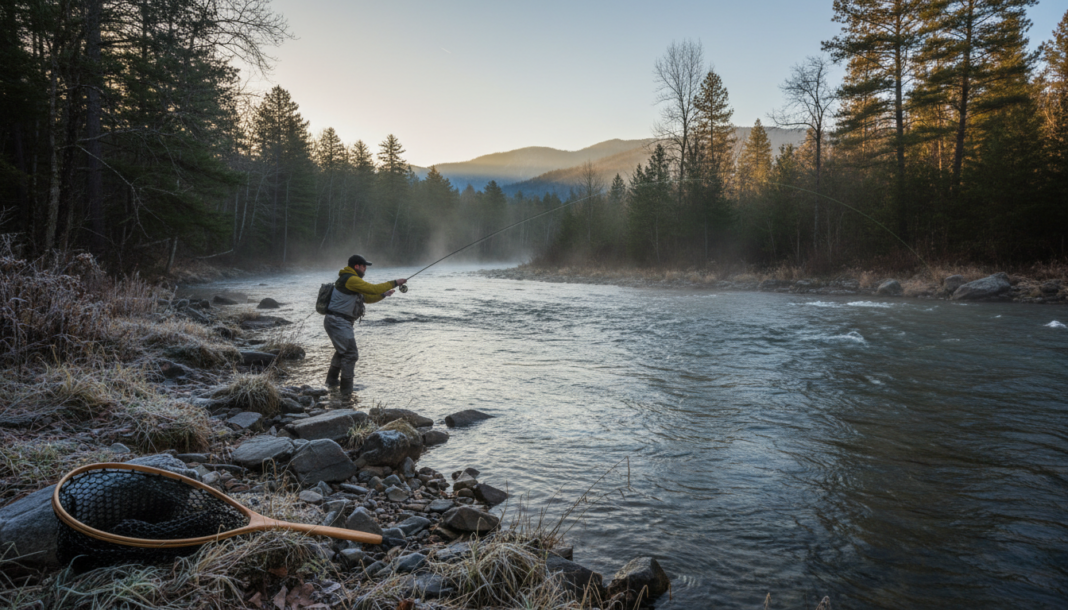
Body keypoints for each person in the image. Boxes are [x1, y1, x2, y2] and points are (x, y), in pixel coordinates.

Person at [323, 254, 407, 393]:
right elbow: (372, 288)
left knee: (342, 351)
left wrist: (383, 295)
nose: (365, 270)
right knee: (351, 354)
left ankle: (331, 383)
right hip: (338, 322)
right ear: (357, 266)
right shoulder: (350, 279)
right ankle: (346, 392)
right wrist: (395, 282)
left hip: (336, 321)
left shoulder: (350, 280)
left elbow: (366, 298)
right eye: (364, 267)